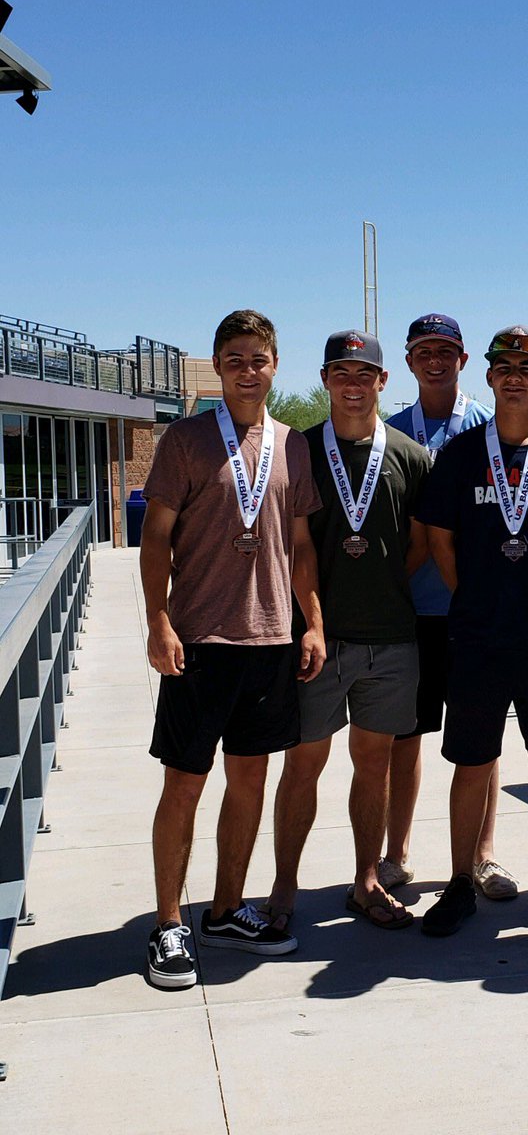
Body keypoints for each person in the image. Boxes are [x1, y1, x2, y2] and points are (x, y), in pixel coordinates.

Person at [141, 309, 324, 989]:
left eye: (260, 358)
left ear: (276, 366)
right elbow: (155, 537)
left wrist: (312, 623)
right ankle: (167, 925)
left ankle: (224, 908)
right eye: (236, 358)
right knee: (184, 783)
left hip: (271, 638)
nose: (249, 369)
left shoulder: (292, 446)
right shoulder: (186, 441)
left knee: (249, 780)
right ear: (218, 367)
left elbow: (299, 545)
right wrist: (158, 621)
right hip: (199, 640)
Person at [418, 326, 528, 938]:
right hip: (479, 637)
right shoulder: (462, 454)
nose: (514, 375)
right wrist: (471, 593)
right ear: (488, 378)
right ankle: (460, 883)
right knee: (471, 762)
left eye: (527, 367)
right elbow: (438, 535)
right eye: (503, 366)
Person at [263, 330, 431, 934]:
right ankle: (284, 886)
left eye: (365, 373)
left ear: (384, 382)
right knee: (303, 764)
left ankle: (366, 879)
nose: (354, 384)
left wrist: (379, 582)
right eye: (342, 372)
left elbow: (417, 546)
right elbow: (294, 547)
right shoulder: (299, 452)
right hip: (317, 640)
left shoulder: (413, 457)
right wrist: (315, 620)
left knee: (374, 765)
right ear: (326, 379)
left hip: (391, 639)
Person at [384, 314, 516, 901]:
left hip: (475, 614)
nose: (434, 360)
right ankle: (396, 853)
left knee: (483, 741)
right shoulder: (389, 434)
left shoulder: (493, 428)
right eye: (422, 351)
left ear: (463, 361)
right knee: (403, 738)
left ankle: (484, 855)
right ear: (409, 363)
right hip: (412, 614)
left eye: (446, 350)